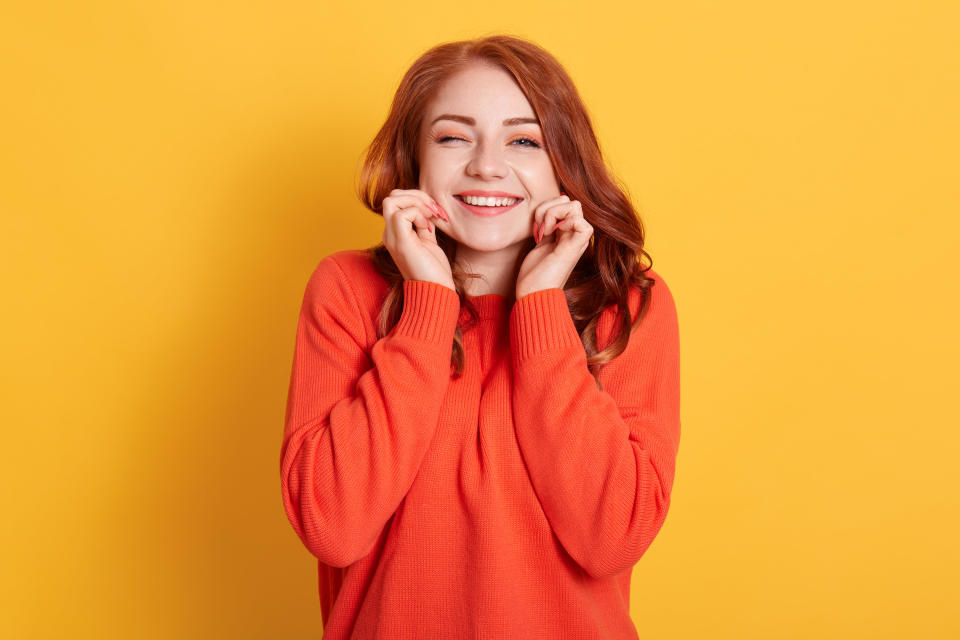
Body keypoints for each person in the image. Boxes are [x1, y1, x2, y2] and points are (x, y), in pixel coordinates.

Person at [279, 34, 681, 639]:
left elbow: (613, 537)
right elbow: (332, 526)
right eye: (453, 137)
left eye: (523, 140)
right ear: (413, 161)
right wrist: (428, 305)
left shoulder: (626, 306)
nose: (486, 165)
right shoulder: (347, 291)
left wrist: (541, 302)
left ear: (563, 163)